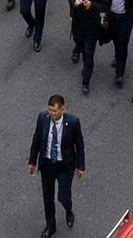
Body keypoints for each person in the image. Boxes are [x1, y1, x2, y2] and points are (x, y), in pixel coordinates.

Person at [27, 94, 86, 238]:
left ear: (63, 109)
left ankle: (68, 209)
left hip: (64, 166)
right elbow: (36, 139)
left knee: (63, 196)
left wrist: (80, 166)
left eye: (54, 111)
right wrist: (32, 161)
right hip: (47, 164)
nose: (51, 114)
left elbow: (79, 145)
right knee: (48, 197)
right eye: (50, 110)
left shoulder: (72, 122)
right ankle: (50, 226)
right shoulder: (42, 118)